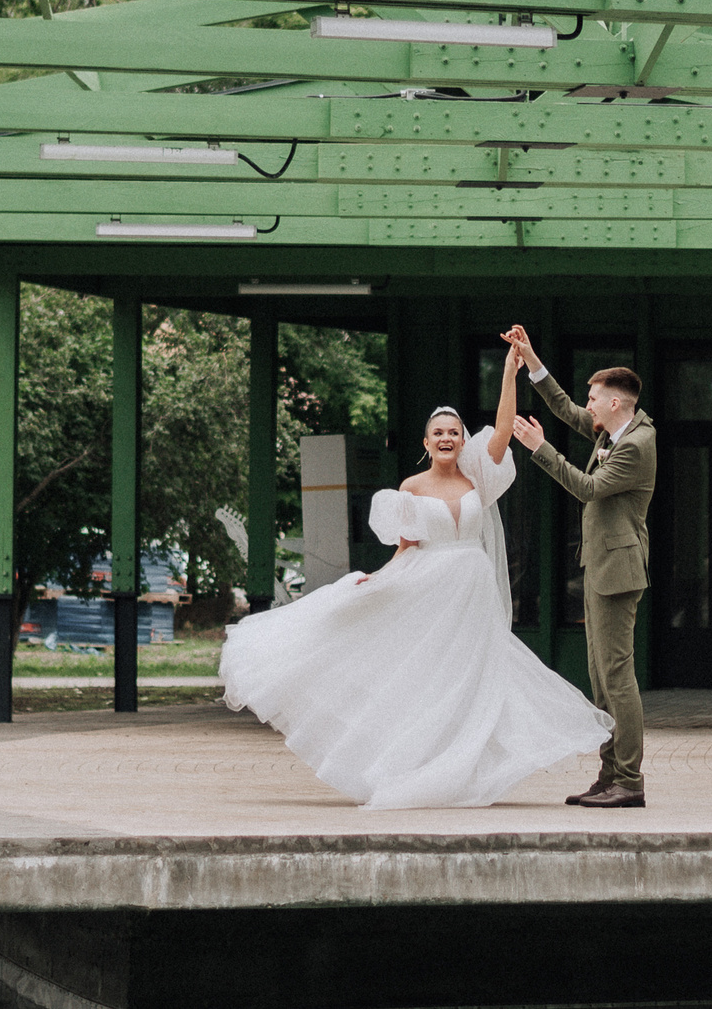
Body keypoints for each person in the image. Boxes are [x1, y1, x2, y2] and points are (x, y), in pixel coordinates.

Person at [218, 373, 611, 807]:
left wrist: (509, 371)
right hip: (431, 588)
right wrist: (378, 579)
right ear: (426, 443)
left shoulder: (478, 479)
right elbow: (406, 547)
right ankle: (416, 765)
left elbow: (502, 429)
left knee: (475, 676)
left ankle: (462, 768)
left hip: (473, 590)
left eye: (454, 433)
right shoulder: (409, 488)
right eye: (438, 433)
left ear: (463, 441)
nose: (447, 439)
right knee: (429, 678)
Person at [501, 323, 657, 809]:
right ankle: (609, 775)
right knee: (600, 678)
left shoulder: (635, 445)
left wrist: (539, 449)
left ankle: (629, 781)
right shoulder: (615, 428)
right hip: (600, 565)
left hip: (618, 572)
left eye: (594, 398)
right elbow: (566, 408)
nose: (587, 405)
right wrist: (531, 361)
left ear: (615, 402)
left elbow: (588, 489)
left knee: (618, 678)